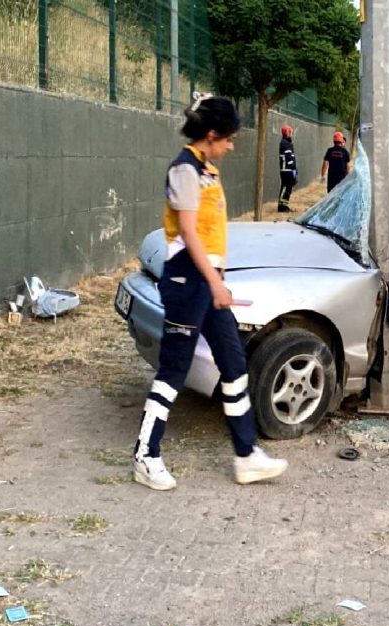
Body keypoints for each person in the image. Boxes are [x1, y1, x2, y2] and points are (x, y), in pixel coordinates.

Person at [132, 94, 288, 491]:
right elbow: (187, 232)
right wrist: (214, 281)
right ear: (212, 134)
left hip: (206, 282)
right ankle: (146, 456)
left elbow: (209, 235)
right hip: (188, 282)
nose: (232, 146)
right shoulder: (184, 170)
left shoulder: (206, 170)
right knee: (173, 371)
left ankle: (246, 454)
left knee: (234, 364)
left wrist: (218, 280)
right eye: (229, 138)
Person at [277, 124, 297, 213]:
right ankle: (281, 205)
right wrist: (292, 168)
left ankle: (284, 204)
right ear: (287, 132)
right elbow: (288, 157)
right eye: (290, 132)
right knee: (285, 186)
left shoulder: (287, 143)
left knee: (288, 187)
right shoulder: (285, 143)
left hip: (289, 169)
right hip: (286, 169)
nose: (291, 134)